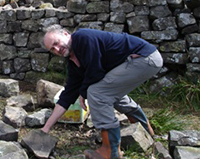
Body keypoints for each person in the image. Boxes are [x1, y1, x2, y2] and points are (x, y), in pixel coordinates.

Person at [41, 25, 163, 159]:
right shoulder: (73, 61)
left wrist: (83, 92)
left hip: (144, 58)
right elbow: (68, 95)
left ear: (65, 34)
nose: (57, 49)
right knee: (106, 91)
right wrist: (45, 129)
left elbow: (95, 72)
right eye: (52, 49)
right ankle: (144, 128)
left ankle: (110, 151)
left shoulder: (82, 38)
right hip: (143, 59)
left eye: (56, 43)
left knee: (97, 92)